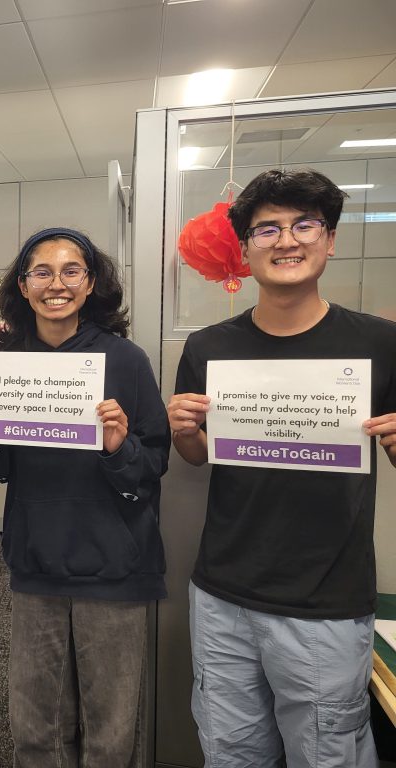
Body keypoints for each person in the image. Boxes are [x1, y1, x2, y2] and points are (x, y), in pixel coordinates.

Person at [169, 168, 396, 768]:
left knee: (327, 752)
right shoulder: (209, 347)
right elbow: (198, 456)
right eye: (267, 229)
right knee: (230, 751)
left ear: (330, 239)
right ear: (244, 249)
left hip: (326, 599)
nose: (287, 241)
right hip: (223, 591)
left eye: (305, 224)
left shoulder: (380, 342)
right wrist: (184, 432)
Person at [0, 228, 169, 767]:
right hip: (36, 564)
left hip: (116, 567)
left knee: (111, 732)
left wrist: (118, 447)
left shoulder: (126, 360)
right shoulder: (4, 363)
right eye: (42, 272)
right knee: (35, 728)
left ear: (91, 281)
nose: (57, 283)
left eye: (71, 270)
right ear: (23, 287)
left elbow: (154, 465)